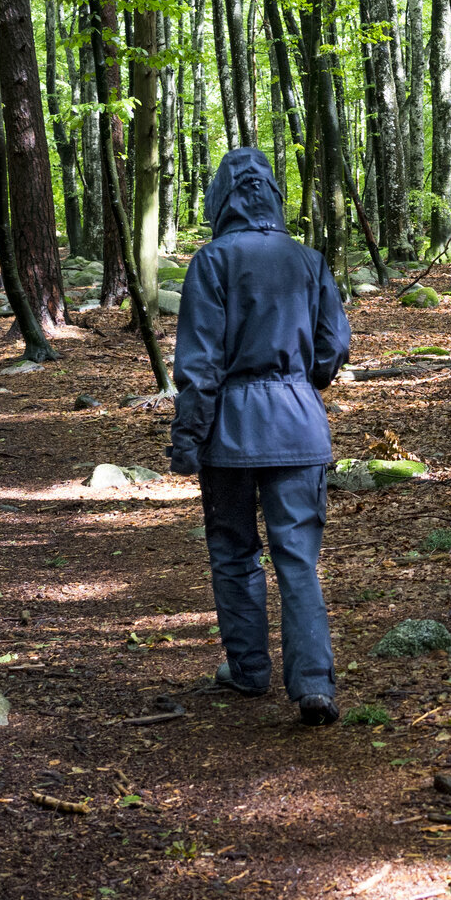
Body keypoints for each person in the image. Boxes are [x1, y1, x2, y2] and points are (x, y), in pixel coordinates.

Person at [167, 148, 351, 726]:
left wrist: (187, 439)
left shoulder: (212, 261)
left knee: (234, 551)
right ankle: (313, 684)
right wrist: (298, 382)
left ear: (220, 199)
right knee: (297, 559)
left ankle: (249, 669)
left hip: (230, 433)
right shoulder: (308, 260)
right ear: (273, 194)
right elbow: (333, 347)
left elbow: (199, 366)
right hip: (299, 426)